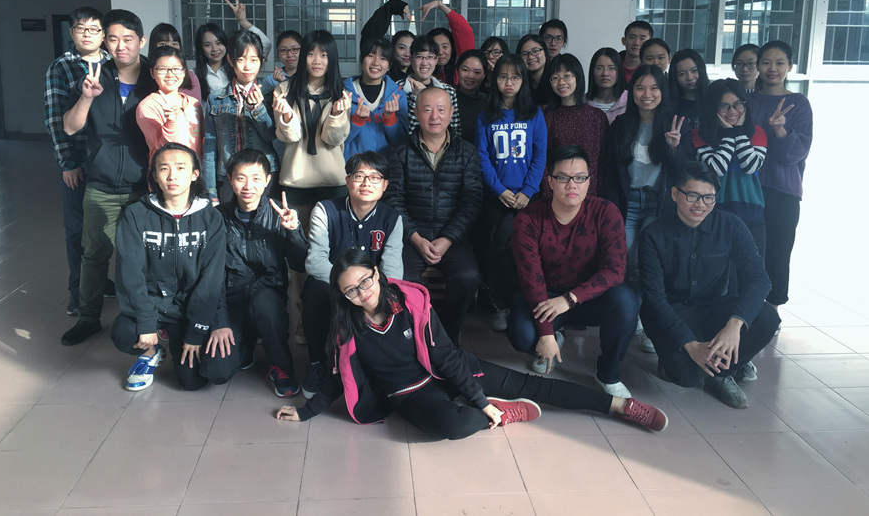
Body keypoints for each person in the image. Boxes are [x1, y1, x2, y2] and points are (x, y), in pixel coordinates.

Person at [275, 250, 669, 438]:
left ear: (377, 274)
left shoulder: (411, 302)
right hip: (409, 394)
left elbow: (445, 355)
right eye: (351, 291)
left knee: (532, 385)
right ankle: (500, 412)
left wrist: (477, 397)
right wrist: (306, 412)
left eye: (365, 281)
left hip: (449, 367)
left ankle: (619, 406)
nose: (362, 293)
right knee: (452, 425)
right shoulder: (347, 329)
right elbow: (336, 376)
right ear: (343, 296)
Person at [638, 161, 780, 408]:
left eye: (708, 198)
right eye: (692, 196)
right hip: (673, 314)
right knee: (685, 376)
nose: (700, 205)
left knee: (767, 317)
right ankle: (688, 359)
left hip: (713, 308)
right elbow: (654, 299)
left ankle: (722, 373)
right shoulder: (654, 234)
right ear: (675, 194)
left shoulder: (731, 225)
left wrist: (735, 324)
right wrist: (690, 344)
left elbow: (759, 279)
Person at [509, 145, 639, 399]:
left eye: (580, 178)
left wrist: (570, 299)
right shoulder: (528, 219)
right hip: (546, 296)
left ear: (589, 181)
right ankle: (554, 337)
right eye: (563, 178)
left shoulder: (606, 212)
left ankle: (608, 373)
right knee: (522, 335)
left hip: (589, 297)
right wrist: (546, 334)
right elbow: (531, 279)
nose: (572, 185)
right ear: (550, 181)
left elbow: (615, 270)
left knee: (626, 301)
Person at [60, 9, 151, 346]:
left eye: (128, 39)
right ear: (104, 42)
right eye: (112, 39)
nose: (120, 46)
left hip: (145, 186)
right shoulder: (94, 76)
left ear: (141, 41)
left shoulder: (156, 77)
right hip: (101, 184)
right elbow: (71, 127)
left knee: (139, 258)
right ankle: (88, 318)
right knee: (94, 255)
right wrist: (87, 97)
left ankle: (140, 319)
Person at [110, 143, 231, 391]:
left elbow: (211, 279)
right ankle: (150, 353)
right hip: (152, 302)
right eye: (163, 168)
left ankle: (175, 339)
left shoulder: (211, 217)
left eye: (180, 168)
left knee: (195, 381)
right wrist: (146, 322)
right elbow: (129, 273)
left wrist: (195, 332)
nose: (172, 176)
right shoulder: (135, 214)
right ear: (154, 176)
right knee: (124, 333)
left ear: (195, 174)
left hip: (187, 307)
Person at [301, 151, 404, 399]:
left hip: (372, 291)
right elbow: (315, 261)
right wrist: (349, 288)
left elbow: (392, 271)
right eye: (359, 176)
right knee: (314, 291)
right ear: (347, 181)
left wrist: (365, 292)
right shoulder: (325, 210)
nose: (366, 183)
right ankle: (317, 362)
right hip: (331, 286)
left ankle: (376, 365)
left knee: (394, 296)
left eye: (375, 177)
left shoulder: (392, 219)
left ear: (385, 185)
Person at [386, 87, 482, 344]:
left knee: (468, 278)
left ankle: (447, 337)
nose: (434, 116)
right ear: (416, 113)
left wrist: (448, 238)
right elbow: (393, 200)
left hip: (452, 238)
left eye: (441, 110)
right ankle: (415, 337)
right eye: (427, 110)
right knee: (401, 281)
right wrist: (416, 238)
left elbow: (472, 201)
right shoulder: (399, 151)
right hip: (411, 237)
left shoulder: (467, 152)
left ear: (451, 113)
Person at [218, 149, 308, 397]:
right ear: (230, 179)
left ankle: (281, 367)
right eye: (241, 178)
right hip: (232, 297)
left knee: (266, 304)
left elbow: (300, 264)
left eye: (256, 178)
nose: (248, 186)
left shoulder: (281, 213)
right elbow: (211, 271)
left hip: (267, 294)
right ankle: (245, 345)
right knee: (217, 371)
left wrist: (293, 231)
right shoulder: (218, 217)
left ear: (268, 180)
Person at [44, 6, 110, 316]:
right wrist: (67, 162)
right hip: (79, 163)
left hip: (108, 159)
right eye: (81, 29)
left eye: (94, 29)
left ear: (102, 34)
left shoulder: (113, 63)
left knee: (106, 229)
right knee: (77, 231)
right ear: (72, 32)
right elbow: (54, 119)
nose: (87, 34)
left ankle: (100, 281)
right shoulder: (61, 67)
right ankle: (77, 292)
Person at [476, 54, 547, 331]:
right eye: (503, 76)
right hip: (497, 197)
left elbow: (540, 155)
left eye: (515, 77)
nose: (509, 82)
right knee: (499, 252)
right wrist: (499, 190)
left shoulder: (534, 114)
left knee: (529, 251)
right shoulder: (486, 114)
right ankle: (502, 305)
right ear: (495, 80)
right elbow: (482, 157)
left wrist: (528, 191)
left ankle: (527, 305)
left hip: (528, 197)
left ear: (523, 81)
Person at [747, 40, 812, 309]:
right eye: (766, 62)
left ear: (790, 66)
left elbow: (794, 155)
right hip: (748, 189)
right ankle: (744, 311)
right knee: (747, 252)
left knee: (777, 253)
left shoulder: (799, 103)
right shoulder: (747, 101)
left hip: (782, 192)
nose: (772, 68)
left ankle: (772, 313)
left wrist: (780, 130)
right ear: (758, 66)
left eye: (779, 62)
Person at [603, 64, 684, 274]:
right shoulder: (620, 125)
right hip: (627, 202)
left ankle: (645, 295)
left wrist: (674, 149)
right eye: (640, 88)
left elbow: (684, 172)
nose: (647, 94)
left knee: (646, 256)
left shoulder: (674, 126)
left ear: (663, 91)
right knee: (624, 256)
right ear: (632, 92)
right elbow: (608, 171)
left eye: (654, 88)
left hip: (657, 202)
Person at [272, 29, 351, 220]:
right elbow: (289, 137)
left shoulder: (340, 92)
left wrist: (336, 114)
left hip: (332, 178)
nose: (317, 61)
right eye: (310, 54)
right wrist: (287, 116)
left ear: (332, 58)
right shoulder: (284, 90)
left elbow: (333, 139)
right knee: (296, 233)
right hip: (295, 177)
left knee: (333, 234)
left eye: (324, 55)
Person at [683, 79, 767, 255]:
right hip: (714, 213)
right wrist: (729, 134)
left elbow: (750, 166)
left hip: (751, 212)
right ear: (713, 108)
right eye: (724, 106)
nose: (733, 111)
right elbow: (716, 170)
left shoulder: (757, 132)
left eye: (738, 104)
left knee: (752, 268)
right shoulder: (699, 134)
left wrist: (739, 132)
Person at [203, 30, 279, 204]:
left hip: (263, 175)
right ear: (230, 60)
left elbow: (270, 135)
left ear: (261, 61)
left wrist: (257, 108)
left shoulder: (270, 95)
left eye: (254, 60)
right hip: (228, 175)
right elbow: (210, 147)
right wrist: (210, 190)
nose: (248, 66)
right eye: (241, 59)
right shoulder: (216, 98)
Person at [539, 53, 608, 196]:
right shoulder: (545, 116)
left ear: (578, 77)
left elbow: (603, 162)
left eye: (567, 76)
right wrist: (549, 196)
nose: (561, 82)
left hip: (590, 195)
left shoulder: (597, 117)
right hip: (556, 195)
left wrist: (599, 197)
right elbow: (541, 160)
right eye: (555, 78)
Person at [343, 37, 408, 158]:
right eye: (371, 56)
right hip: (353, 165)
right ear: (361, 60)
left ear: (389, 66)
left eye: (383, 58)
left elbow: (401, 142)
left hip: (387, 166)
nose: (376, 63)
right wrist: (357, 121)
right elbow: (337, 141)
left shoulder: (398, 95)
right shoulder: (344, 94)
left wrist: (390, 118)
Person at [136, 45, 203, 161]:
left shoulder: (193, 103)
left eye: (176, 69)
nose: (170, 75)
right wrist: (171, 122)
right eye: (162, 69)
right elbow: (164, 148)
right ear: (152, 73)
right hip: (168, 169)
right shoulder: (147, 106)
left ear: (184, 72)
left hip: (194, 169)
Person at [397, 36, 461, 136]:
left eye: (430, 57)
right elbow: (402, 132)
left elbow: (455, 130)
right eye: (419, 57)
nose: (424, 63)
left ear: (436, 60)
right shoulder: (397, 89)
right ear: (411, 59)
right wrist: (416, 98)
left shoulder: (448, 91)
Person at [421, 0, 475, 85]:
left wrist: (440, 5)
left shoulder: (459, 73)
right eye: (436, 47)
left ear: (452, 48)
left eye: (445, 46)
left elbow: (465, 32)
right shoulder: (421, 73)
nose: (440, 52)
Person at [148, 23, 202, 100]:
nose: (170, 47)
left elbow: (195, 106)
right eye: (163, 44)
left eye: (174, 44)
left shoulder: (191, 78)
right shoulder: (145, 76)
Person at [454, 49, 488, 146]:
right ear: (458, 70)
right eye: (465, 70)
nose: (470, 76)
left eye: (477, 72)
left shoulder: (488, 102)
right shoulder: (448, 98)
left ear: (484, 75)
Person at [667, 49, 710, 126]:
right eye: (682, 74)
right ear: (675, 77)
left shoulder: (713, 98)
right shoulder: (669, 105)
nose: (690, 77)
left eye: (694, 70)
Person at [585, 47, 628, 124]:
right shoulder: (582, 102)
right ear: (592, 71)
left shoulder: (630, 101)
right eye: (599, 68)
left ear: (619, 71)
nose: (605, 73)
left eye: (611, 68)